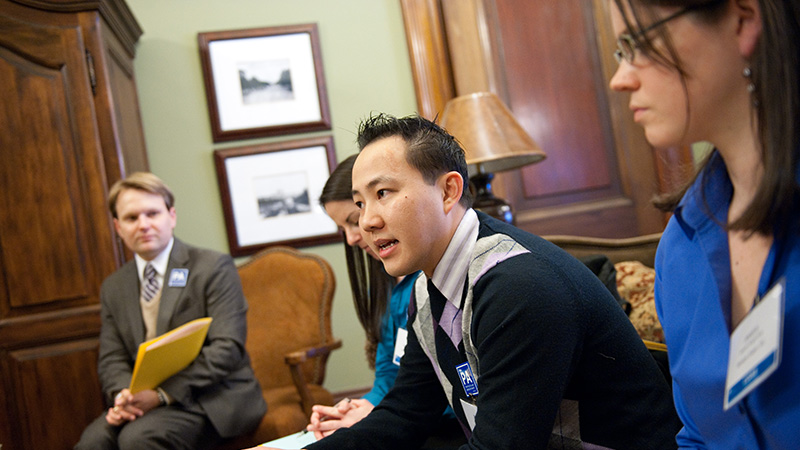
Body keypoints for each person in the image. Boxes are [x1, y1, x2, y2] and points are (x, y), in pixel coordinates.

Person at [254, 113, 681, 450]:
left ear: (448, 191)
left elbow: (504, 446)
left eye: (383, 194)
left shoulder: (517, 285)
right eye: (361, 203)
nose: (367, 222)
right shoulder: (427, 288)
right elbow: (404, 413)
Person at [607, 0, 800, 448]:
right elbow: (696, 435)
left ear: (743, 19)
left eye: (639, 42)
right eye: (622, 51)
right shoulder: (680, 246)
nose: (620, 78)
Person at [75, 172, 266, 450]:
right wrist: (124, 396)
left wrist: (161, 395)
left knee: (137, 440)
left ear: (171, 216)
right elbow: (111, 358)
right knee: (92, 443)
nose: (143, 225)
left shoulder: (212, 268)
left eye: (152, 213)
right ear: (117, 227)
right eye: (131, 218)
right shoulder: (114, 287)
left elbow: (228, 348)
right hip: (142, 402)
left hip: (213, 397)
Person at [310, 155, 463, 446]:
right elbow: (388, 375)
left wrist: (377, 414)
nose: (352, 238)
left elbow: (436, 390)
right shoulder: (384, 288)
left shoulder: (429, 284)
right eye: (342, 229)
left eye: (353, 222)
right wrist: (361, 407)